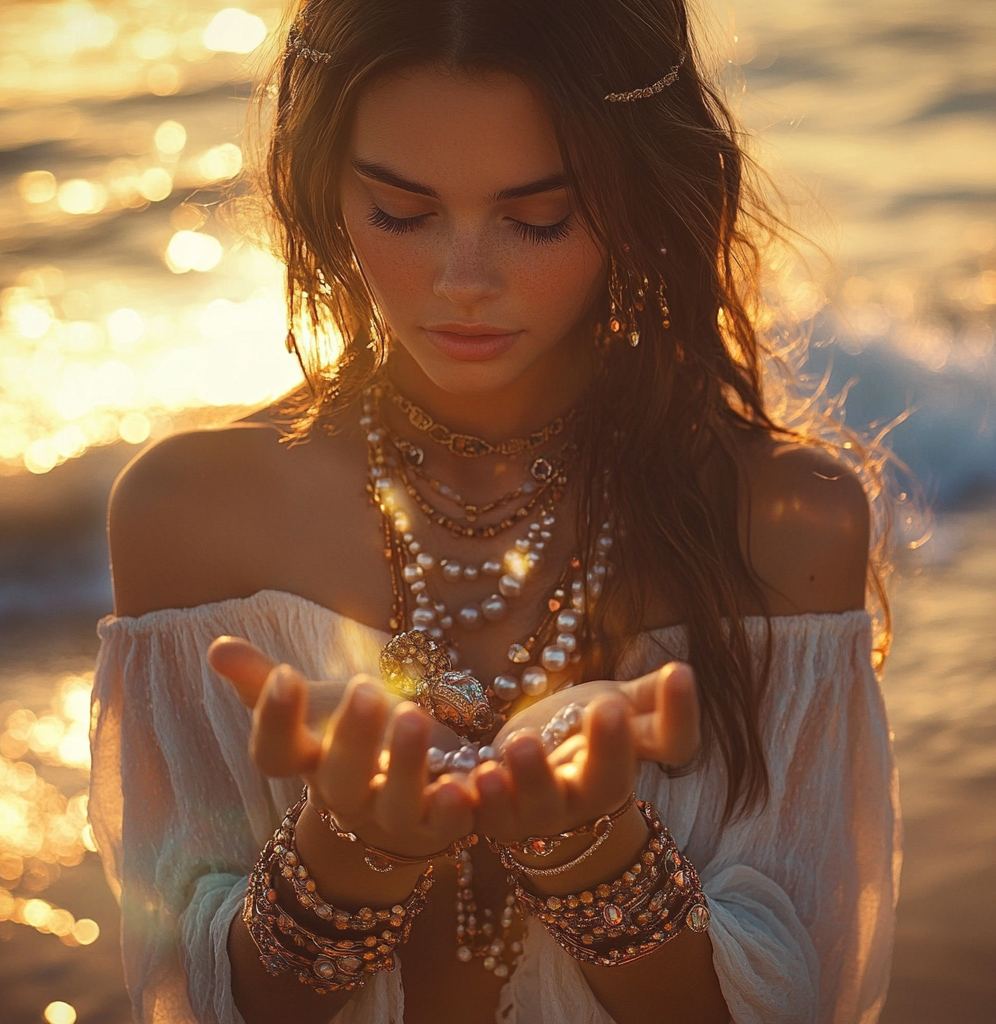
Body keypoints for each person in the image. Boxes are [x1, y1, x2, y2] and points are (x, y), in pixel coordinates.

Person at [88, 1, 900, 1022]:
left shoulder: (783, 523)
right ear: (321, 184)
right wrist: (339, 863)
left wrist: (601, 860)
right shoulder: (188, 516)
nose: (462, 280)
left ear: (638, 196)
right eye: (401, 210)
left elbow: (801, 1000)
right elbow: (192, 1001)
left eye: (539, 217)